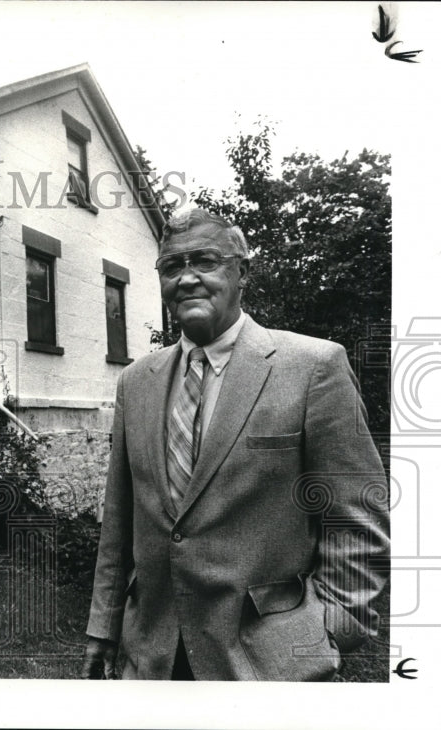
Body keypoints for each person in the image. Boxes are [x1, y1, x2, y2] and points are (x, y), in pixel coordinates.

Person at [82, 208, 389, 681]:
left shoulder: (313, 367)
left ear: (241, 271)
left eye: (204, 261)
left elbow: (358, 517)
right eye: (171, 267)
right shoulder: (135, 382)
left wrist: (333, 626)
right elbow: (120, 521)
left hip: (270, 663)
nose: (186, 279)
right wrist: (104, 626)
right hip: (152, 658)